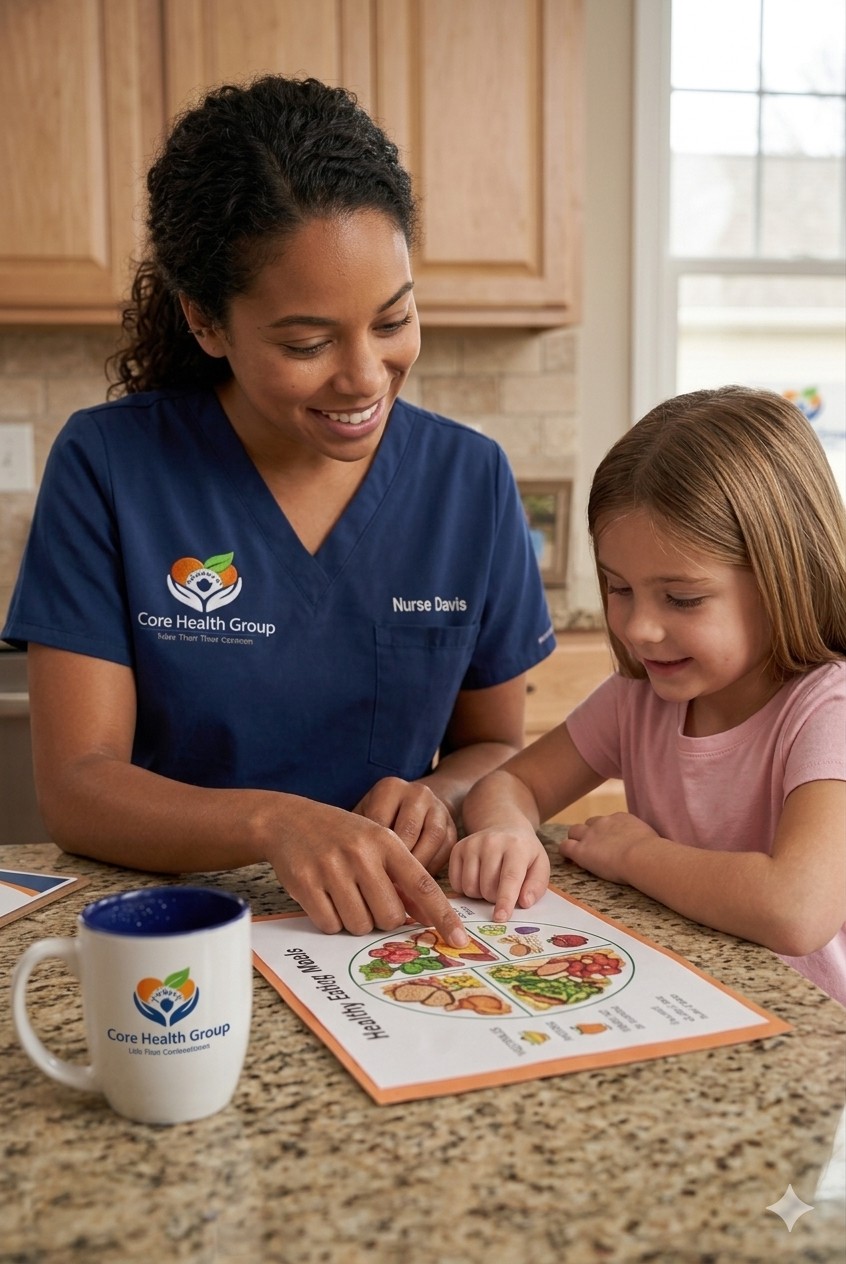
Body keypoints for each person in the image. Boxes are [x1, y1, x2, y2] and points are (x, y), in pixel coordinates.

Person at [2, 75, 555, 947]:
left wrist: (439, 795)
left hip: (388, 939)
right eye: (307, 343)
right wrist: (274, 824)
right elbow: (77, 783)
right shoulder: (109, 466)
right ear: (205, 321)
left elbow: (494, 749)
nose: (365, 376)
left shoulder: (470, 480)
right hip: (179, 932)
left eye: (393, 319)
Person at [449, 386, 846, 1003]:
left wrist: (637, 855)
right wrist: (508, 831)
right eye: (618, 588)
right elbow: (510, 784)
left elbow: (796, 908)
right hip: (685, 1002)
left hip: (811, 1044)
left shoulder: (829, 711)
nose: (638, 629)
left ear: (783, 577)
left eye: (681, 598)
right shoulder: (640, 698)